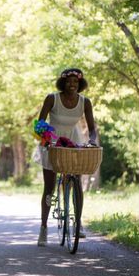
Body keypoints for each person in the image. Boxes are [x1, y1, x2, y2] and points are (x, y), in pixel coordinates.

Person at [35, 68, 97, 247]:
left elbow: (92, 129)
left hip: (74, 140)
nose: (72, 85)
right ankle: (44, 228)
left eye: (76, 82)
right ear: (63, 83)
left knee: (76, 181)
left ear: (80, 84)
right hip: (52, 140)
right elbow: (40, 123)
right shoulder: (52, 98)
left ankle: (77, 223)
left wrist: (91, 141)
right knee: (49, 187)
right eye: (69, 81)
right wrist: (46, 140)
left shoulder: (85, 102)